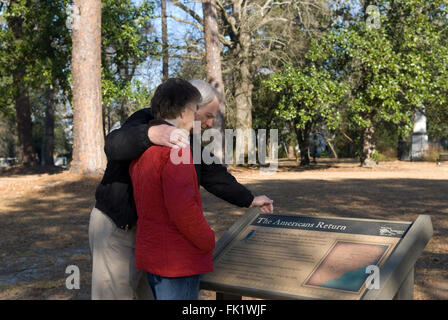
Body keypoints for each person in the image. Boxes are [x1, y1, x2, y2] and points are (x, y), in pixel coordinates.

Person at [89, 79, 274, 300]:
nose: (210, 123)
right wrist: (149, 135)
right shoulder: (144, 119)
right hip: (117, 226)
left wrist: (250, 199)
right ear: (189, 109)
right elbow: (114, 145)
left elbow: (213, 174)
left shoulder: (189, 140)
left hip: (151, 237)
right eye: (207, 114)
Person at [130, 78, 214, 300]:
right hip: (177, 261)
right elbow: (183, 208)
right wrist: (208, 239)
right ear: (186, 111)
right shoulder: (178, 151)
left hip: (152, 255)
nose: (197, 116)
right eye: (196, 109)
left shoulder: (145, 150)